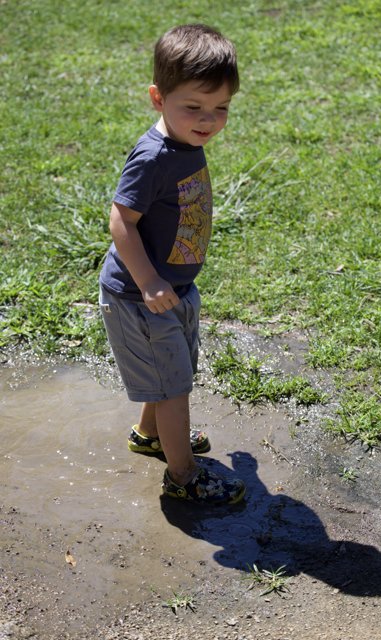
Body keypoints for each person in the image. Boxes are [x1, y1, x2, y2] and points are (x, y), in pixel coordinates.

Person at [99, 24, 245, 505]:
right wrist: (148, 280)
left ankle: (150, 436)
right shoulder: (154, 156)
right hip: (143, 296)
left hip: (172, 289)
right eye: (195, 107)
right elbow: (121, 221)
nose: (209, 120)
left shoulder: (185, 141)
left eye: (220, 108)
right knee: (176, 387)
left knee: (170, 375)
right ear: (157, 98)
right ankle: (184, 477)